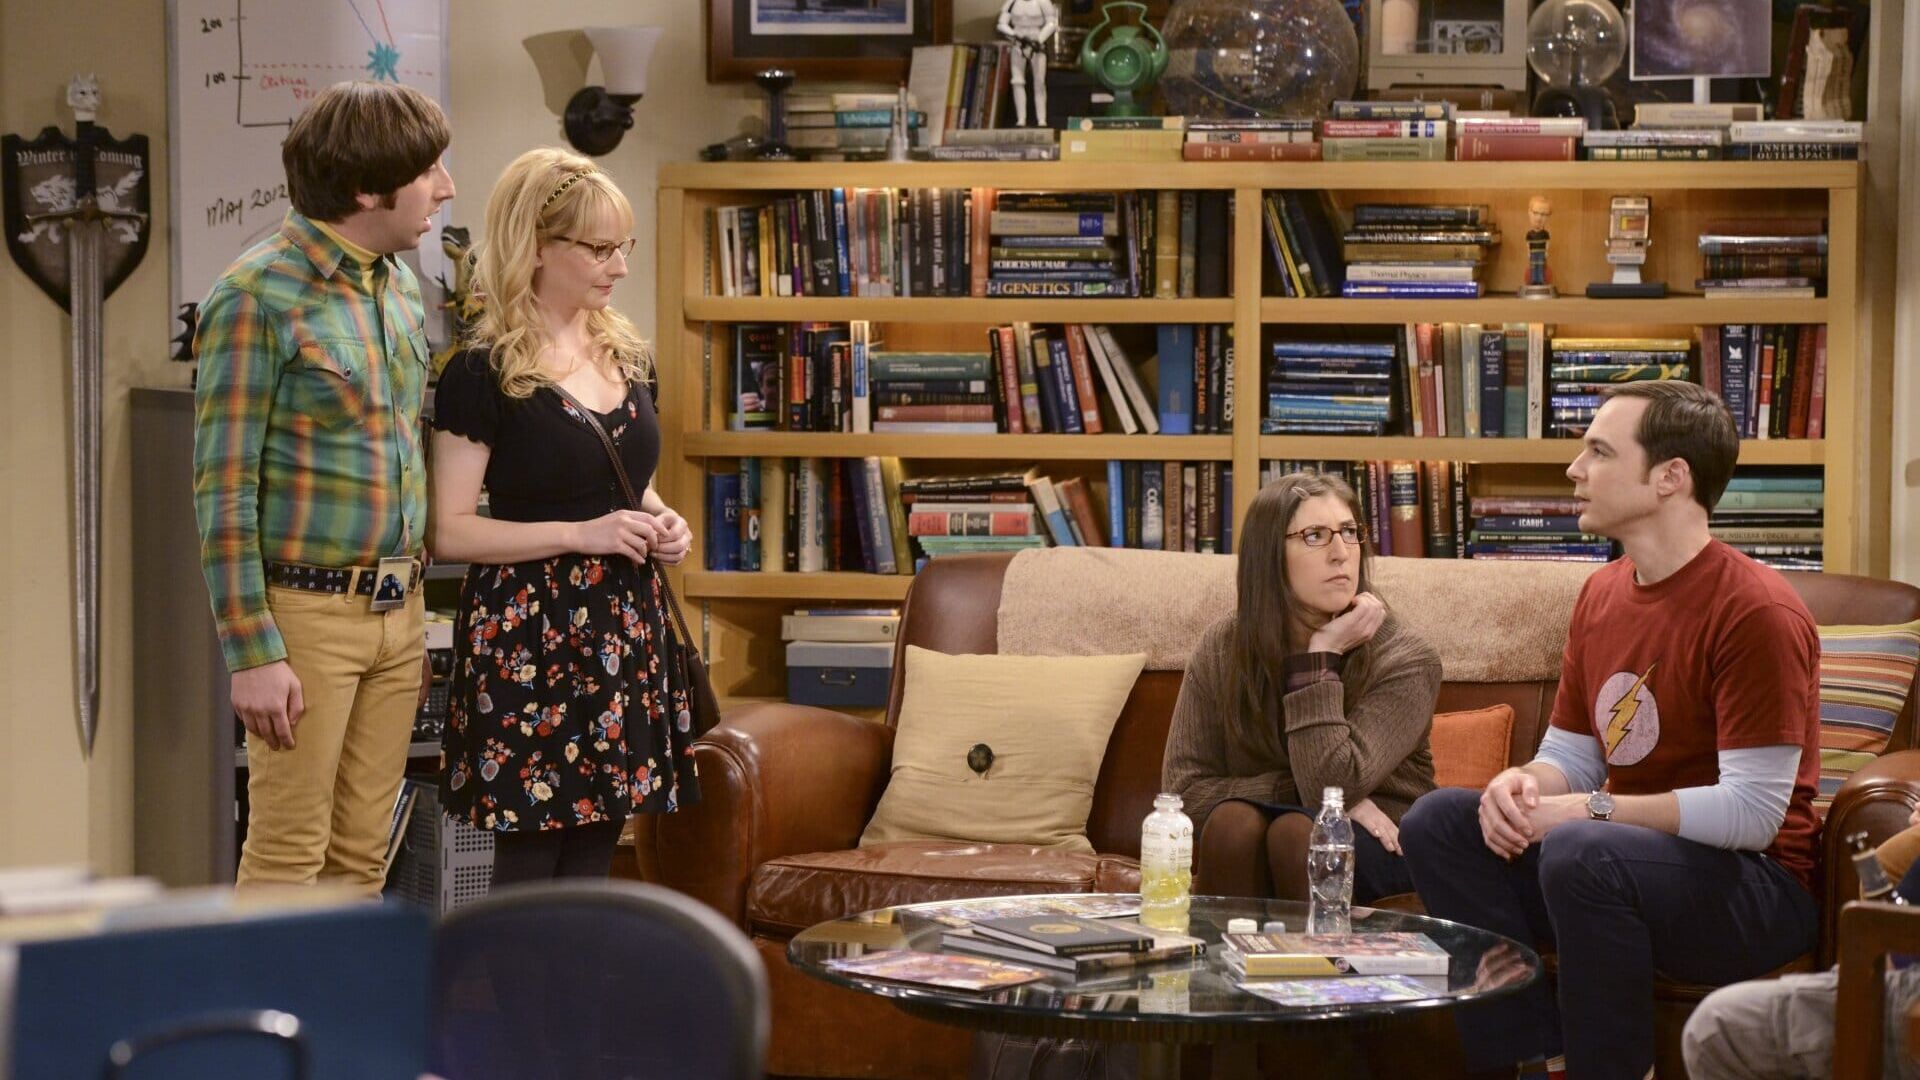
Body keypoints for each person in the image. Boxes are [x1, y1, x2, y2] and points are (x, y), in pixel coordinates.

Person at [1399, 380, 1824, 1080]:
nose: (1575, 469)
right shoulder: (1601, 593)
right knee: (1440, 821)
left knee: (1580, 848)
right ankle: (1534, 1059)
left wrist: (1584, 811)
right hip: (1616, 867)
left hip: (1754, 891)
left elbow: (1753, 816)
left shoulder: (1756, 612)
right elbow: (1572, 755)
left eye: (1599, 452)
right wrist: (1521, 784)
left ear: (1670, 477)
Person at [192, 81, 454, 893]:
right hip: (304, 618)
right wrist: (252, 653)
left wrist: (409, 623)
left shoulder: (397, 284)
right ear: (368, 189)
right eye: (428, 171)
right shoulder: (255, 295)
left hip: (396, 614)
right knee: (287, 857)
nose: (445, 188)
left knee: (362, 861)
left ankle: (341, 991)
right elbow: (223, 490)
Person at [429, 148, 698, 887]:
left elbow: (622, 482)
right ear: (537, 246)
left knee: (593, 859)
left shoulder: (627, 354)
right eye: (599, 249)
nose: (620, 266)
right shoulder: (481, 371)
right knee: (530, 862)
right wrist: (582, 535)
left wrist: (661, 518)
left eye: (623, 246)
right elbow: (449, 529)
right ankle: (514, 974)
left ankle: (575, 973)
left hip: (622, 626)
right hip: (529, 635)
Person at [1162, 471, 1442, 904]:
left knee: (1297, 832)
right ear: (1269, 556)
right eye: (1315, 536)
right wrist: (1294, 793)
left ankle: (1315, 953)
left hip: (1386, 839)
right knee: (1234, 824)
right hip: (1263, 829)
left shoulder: (1406, 658)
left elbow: (1333, 783)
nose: (1341, 553)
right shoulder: (1224, 646)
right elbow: (1183, 796)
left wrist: (1320, 657)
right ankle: (1222, 952)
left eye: (1349, 532)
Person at [1682, 806, 1920, 1079]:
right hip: (1893, 969)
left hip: (1904, 985)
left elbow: (1749, 812)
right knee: (1720, 1025)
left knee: (1718, 1029)